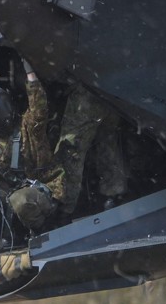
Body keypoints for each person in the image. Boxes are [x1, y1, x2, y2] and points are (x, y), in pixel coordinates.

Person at [0, 60, 65, 231]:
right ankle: (10, 229)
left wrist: (30, 74)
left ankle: (42, 227)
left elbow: (39, 105)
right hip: (10, 189)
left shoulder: (29, 127)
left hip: (39, 187)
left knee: (20, 201)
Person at [54, 84, 130, 214]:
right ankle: (113, 194)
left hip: (87, 90)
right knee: (107, 140)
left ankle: (65, 206)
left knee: (71, 149)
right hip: (112, 88)